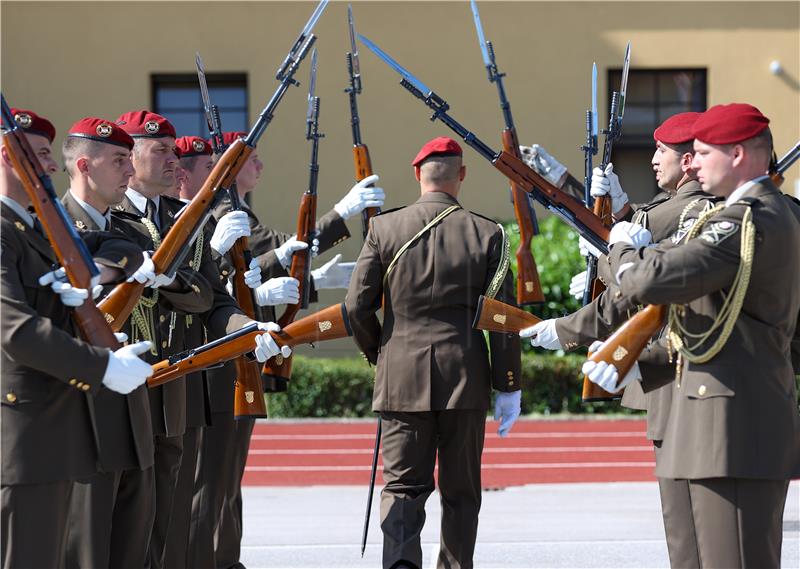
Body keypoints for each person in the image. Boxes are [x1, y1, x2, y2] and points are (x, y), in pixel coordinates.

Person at [584, 103, 800, 567]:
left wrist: (619, 246)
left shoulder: (747, 220)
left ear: (738, 153)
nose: (693, 163)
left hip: (735, 424)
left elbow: (650, 281)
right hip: (723, 418)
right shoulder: (752, 215)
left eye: (702, 152)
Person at [520, 112, 720, 568]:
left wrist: (567, 327)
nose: (652, 160)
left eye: (661, 152)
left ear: (689, 160)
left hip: (677, 377)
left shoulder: (684, 211)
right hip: (693, 377)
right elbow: (640, 241)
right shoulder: (687, 209)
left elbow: (637, 283)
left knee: (689, 527)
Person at [346, 137, 522, 569]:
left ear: (416, 175)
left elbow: (355, 307)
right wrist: (508, 385)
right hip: (465, 378)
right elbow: (502, 319)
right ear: (461, 175)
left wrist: (380, 353)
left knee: (403, 488)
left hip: (400, 376)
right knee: (461, 491)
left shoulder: (383, 229)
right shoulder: (489, 233)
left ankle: (402, 565)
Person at [0, 108, 152, 569]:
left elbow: (118, 246)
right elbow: (16, 331)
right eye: (41, 154)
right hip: (26, 438)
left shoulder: (28, 229)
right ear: (8, 157)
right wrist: (103, 366)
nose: (50, 165)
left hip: (54, 433)